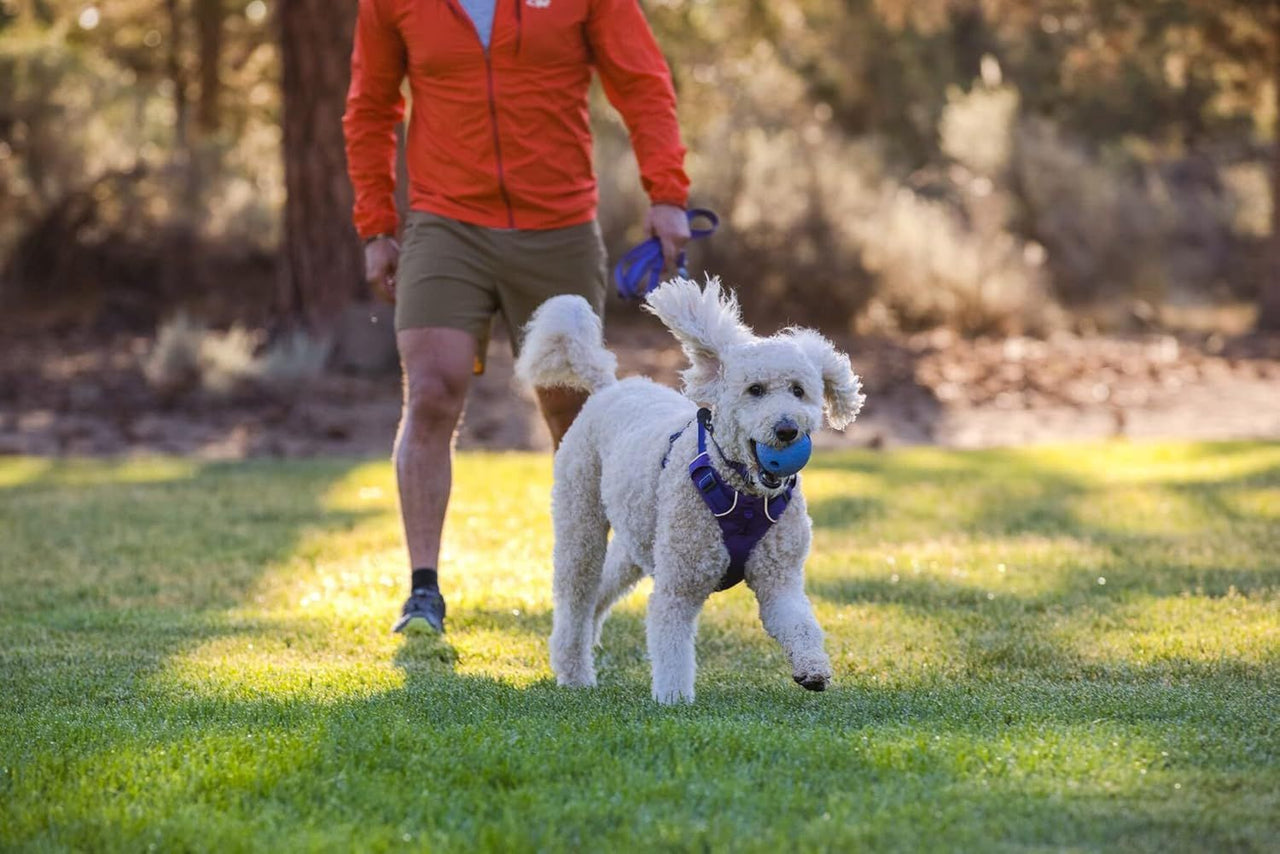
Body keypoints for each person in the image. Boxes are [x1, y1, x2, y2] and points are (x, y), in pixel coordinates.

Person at [342, 0, 691, 635]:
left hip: (557, 224)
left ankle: (585, 592)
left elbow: (640, 81)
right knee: (431, 390)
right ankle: (423, 591)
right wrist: (375, 226)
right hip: (445, 220)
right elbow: (370, 105)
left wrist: (666, 192)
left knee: (574, 411)